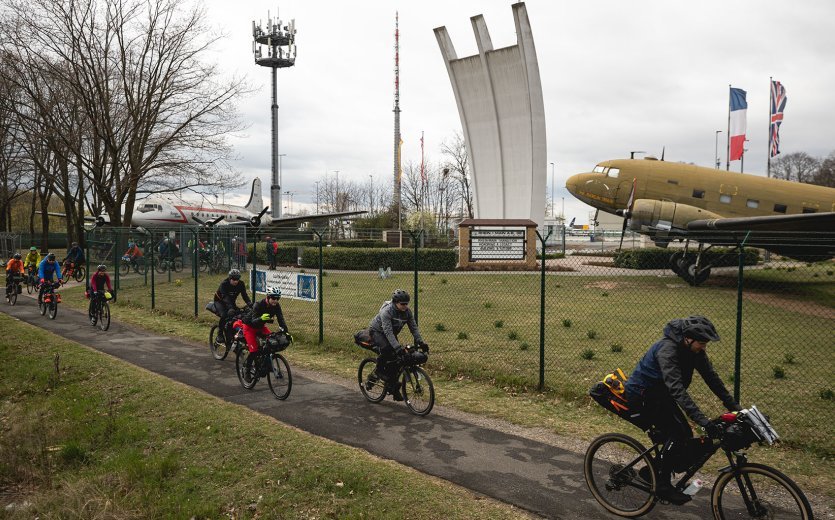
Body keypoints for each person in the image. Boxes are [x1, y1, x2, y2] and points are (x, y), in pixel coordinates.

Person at [623, 316, 741, 504]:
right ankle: (662, 485)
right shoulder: (667, 351)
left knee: (684, 433)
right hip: (643, 396)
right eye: (701, 343)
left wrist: (735, 408)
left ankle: (653, 470)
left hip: (661, 395)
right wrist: (703, 421)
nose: (704, 347)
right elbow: (676, 389)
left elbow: (712, 379)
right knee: (677, 433)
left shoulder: (694, 351)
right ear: (688, 338)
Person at [367, 289, 427, 401]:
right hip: (377, 331)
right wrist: (397, 347)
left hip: (390, 334)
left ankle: (393, 387)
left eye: (406, 304)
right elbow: (388, 332)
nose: (405, 306)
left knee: (399, 359)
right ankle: (378, 372)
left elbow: (413, 328)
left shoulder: (407, 312)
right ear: (395, 302)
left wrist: (421, 342)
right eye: (402, 304)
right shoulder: (387, 312)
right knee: (388, 349)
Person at [242, 287, 289, 355]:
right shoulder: (258, 304)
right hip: (249, 327)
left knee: (272, 343)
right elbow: (253, 321)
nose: (275, 300)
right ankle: (247, 366)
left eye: (278, 298)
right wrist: (261, 318)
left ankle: (265, 363)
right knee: (254, 351)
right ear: (268, 297)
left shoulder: (276, 305)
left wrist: (286, 332)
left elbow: (280, 319)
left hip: (260, 327)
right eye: (273, 298)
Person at [213, 269, 253, 344]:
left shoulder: (241, 284)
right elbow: (225, 297)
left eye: (237, 279)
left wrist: (250, 304)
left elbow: (244, 295)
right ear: (229, 278)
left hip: (231, 302)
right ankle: (220, 334)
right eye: (234, 279)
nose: (236, 281)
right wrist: (231, 308)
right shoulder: (224, 284)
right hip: (220, 301)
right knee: (224, 315)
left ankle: (232, 333)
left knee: (239, 315)